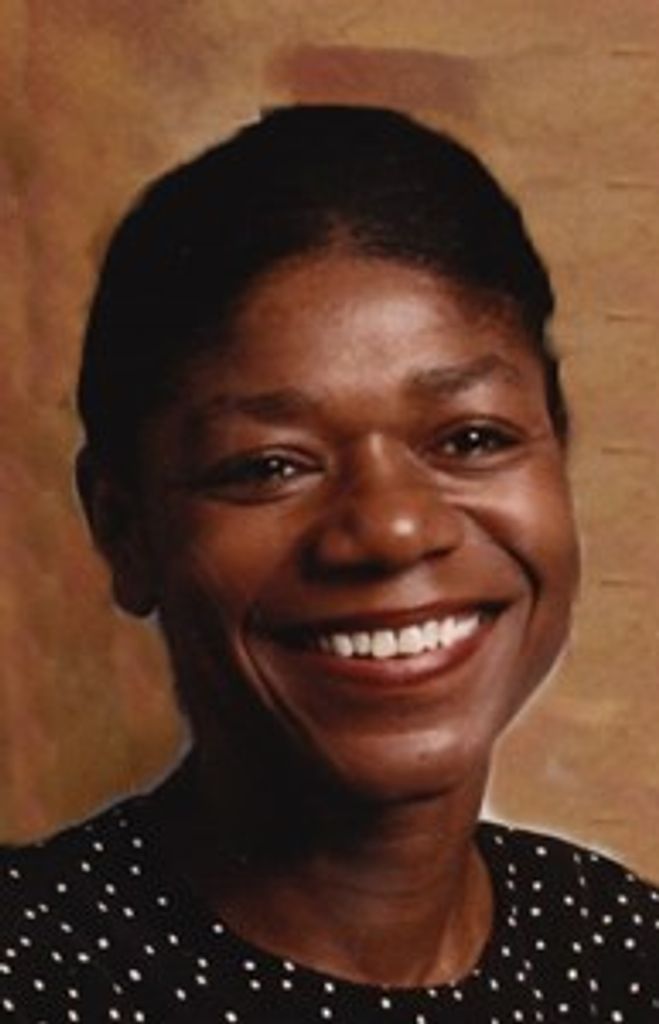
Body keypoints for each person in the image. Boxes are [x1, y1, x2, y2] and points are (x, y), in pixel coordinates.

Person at [2, 105, 658, 1023]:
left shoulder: (622, 952)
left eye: (471, 439)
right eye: (269, 466)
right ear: (123, 527)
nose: (391, 529)